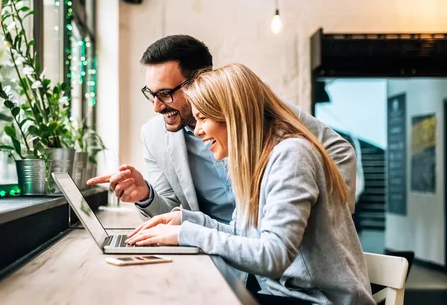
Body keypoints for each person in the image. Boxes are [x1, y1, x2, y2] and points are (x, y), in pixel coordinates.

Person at [125, 64, 374, 305]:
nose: (198, 131)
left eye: (202, 118)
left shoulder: (292, 155)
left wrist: (185, 234)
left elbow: (273, 255)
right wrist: (186, 220)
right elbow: (241, 233)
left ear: (233, 115)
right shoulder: (251, 162)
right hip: (284, 295)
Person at [88, 35, 357, 224]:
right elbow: (172, 212)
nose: (157, 107)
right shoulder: (154, 136)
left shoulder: (256, 108)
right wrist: (145, 195)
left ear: (201, 81)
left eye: (166, 94)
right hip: (217, 255)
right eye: (151, 94)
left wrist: (319, 223)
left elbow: (339, 152)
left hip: (281, 259)